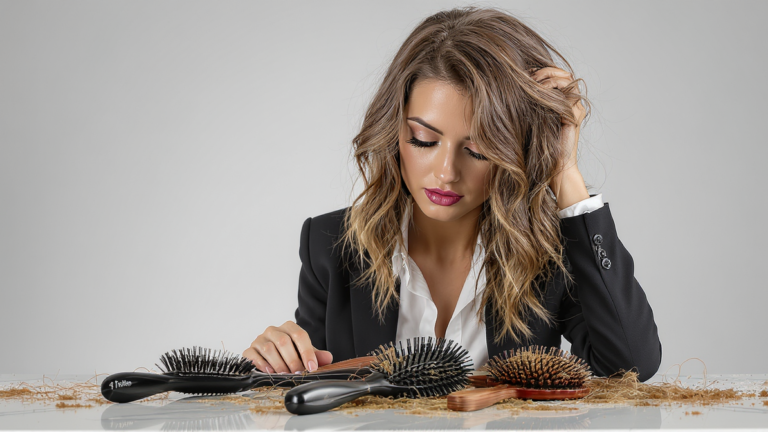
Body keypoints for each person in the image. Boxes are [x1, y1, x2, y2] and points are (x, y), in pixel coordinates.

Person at [243, 6, 661, 382]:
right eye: (424, 140)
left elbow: (632, 365)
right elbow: (308, 383)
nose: (446, 173)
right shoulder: (329, 245)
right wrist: (276, 358)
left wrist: (564, 171)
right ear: (394, 134)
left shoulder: (550, 254)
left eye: (478, 149)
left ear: (515, 149)